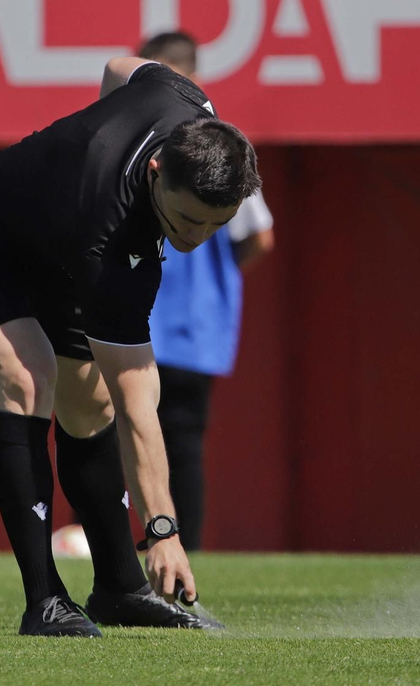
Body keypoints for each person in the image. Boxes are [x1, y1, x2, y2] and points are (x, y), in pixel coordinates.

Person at [0, 56, 260, 635]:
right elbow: (138, 403)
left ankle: (120, 590)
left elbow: (123, 67)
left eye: (214, 227)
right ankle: (43, 600)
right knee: (29, 380)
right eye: (186, 221)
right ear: (154, 170)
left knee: (87, 404)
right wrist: (164, 531)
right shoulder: (110, 237)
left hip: (55, 248)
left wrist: (99, 123)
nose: (196, 241)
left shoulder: (191, 106)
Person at [138, 33, 274, 552]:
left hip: (176, 321)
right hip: (175, 321)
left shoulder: (215, 149)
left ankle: (171, 550)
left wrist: (209, 274)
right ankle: (157, 549)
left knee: (165, 436)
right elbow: (259, 238)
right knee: (157, 435)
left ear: (186, 79)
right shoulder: (167, 141)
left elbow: (258, 234)